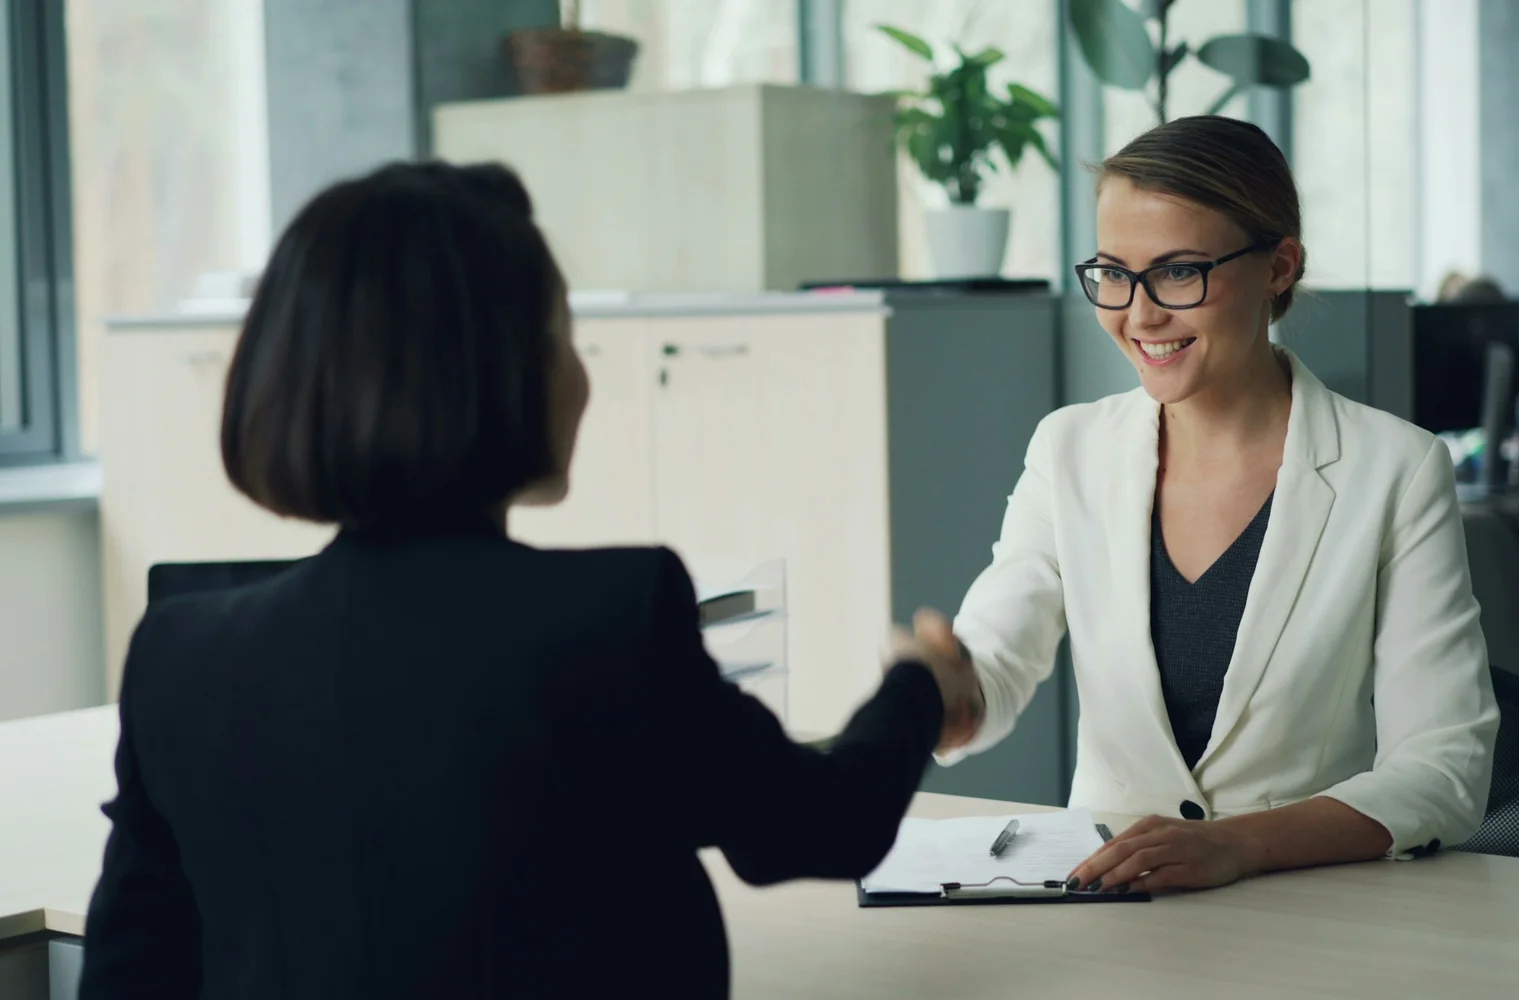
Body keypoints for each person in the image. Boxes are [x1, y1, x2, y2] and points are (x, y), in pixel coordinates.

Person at [78, 162, 978, 999]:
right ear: (495, 373)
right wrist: (918, 686)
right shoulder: (608, 620)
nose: (582, 376)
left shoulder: (179, 656)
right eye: (563, 337)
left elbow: (129, 970)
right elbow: (815, 828)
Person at [940, 116, 1499, 894]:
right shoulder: (1068, 450)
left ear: (1279, 267)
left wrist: (1238, 845)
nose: (1137, 315)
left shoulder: (1394, 471)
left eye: (1178, 272)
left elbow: (1445, 769)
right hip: (1109, 912)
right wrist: (949, 696)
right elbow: (997, 659)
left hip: (1309, 911)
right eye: (1112, 272)